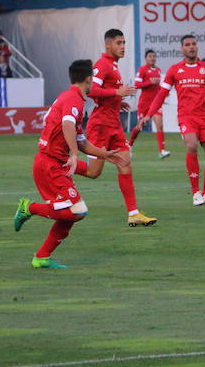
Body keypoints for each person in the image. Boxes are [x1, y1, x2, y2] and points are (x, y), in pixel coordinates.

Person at [12, 59, 129, 269]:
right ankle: (28, 207)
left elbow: (81, 140)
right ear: (88, 79)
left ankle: (42, 257)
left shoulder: (71, 98)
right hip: (51, 164)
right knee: (77, 211)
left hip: (54, 163)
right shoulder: (74, 99)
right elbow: (67, 125)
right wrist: (73, 154)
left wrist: (104, 154)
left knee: (70, 216)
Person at [139, 35, 205, 206]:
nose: (191, 47)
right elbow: (161, 95)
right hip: (187, 117)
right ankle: (195, 192)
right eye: (187, 45)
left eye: (194, 44)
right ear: (182, 48)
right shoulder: (175, 70)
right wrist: (149, 114)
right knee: (191, 145)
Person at [79, 29, 157, 227]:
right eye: (119, 43)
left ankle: (133, 213)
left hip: (114, 124)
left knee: (125, 163)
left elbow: (101, 93)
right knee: (93, 172)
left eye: (124, 43)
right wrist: (117, 92)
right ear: (108, 45)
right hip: (100, 126)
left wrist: (116, 100)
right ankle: (60, 164)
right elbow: (90, 90)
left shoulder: (113, 65)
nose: (123, 46)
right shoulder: (102, 65)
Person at [128, 49, 171, 159]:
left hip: (156, 104)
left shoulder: (158, 70)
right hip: (144, 104)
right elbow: (137, 85)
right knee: (139, 127)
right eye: (150, 56)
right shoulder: (142, 70)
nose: (152, 58)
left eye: (154, 56)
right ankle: (129, 145)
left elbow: (157, 86)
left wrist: (164, 92)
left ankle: (162, 151)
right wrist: (149, 82)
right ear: (146, 58)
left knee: (160, 125)